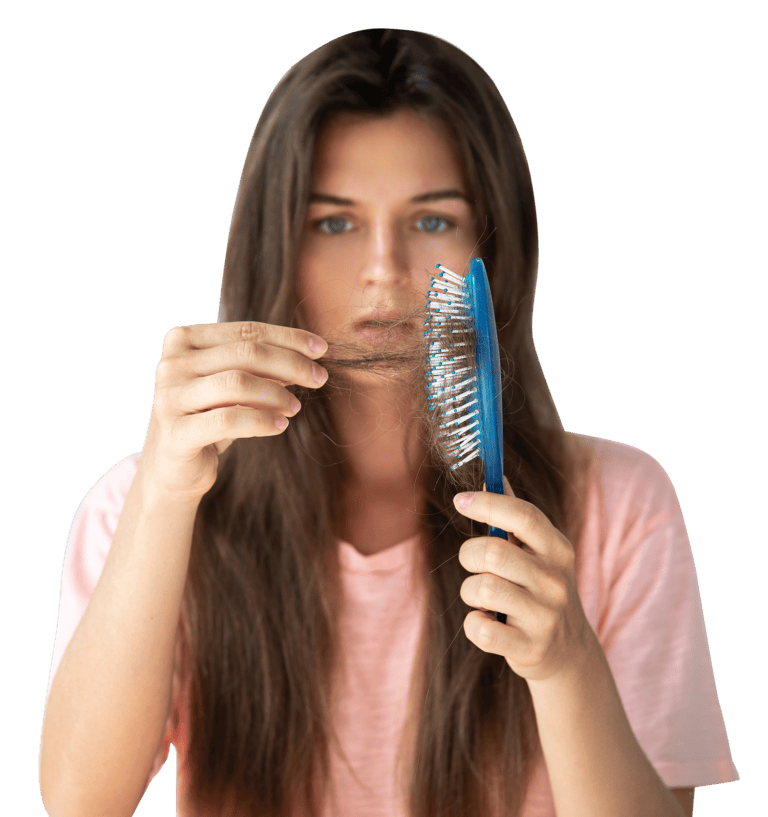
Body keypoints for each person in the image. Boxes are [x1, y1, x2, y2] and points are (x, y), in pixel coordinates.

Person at [38, 28, 738, 817]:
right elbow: (79, 803)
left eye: (431, 220)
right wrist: (165, 493)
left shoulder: (621, 505)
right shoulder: (148, 506)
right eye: (333, 223)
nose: (384, 267)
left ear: (495, 241)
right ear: (274, 243)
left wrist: (567, 662)